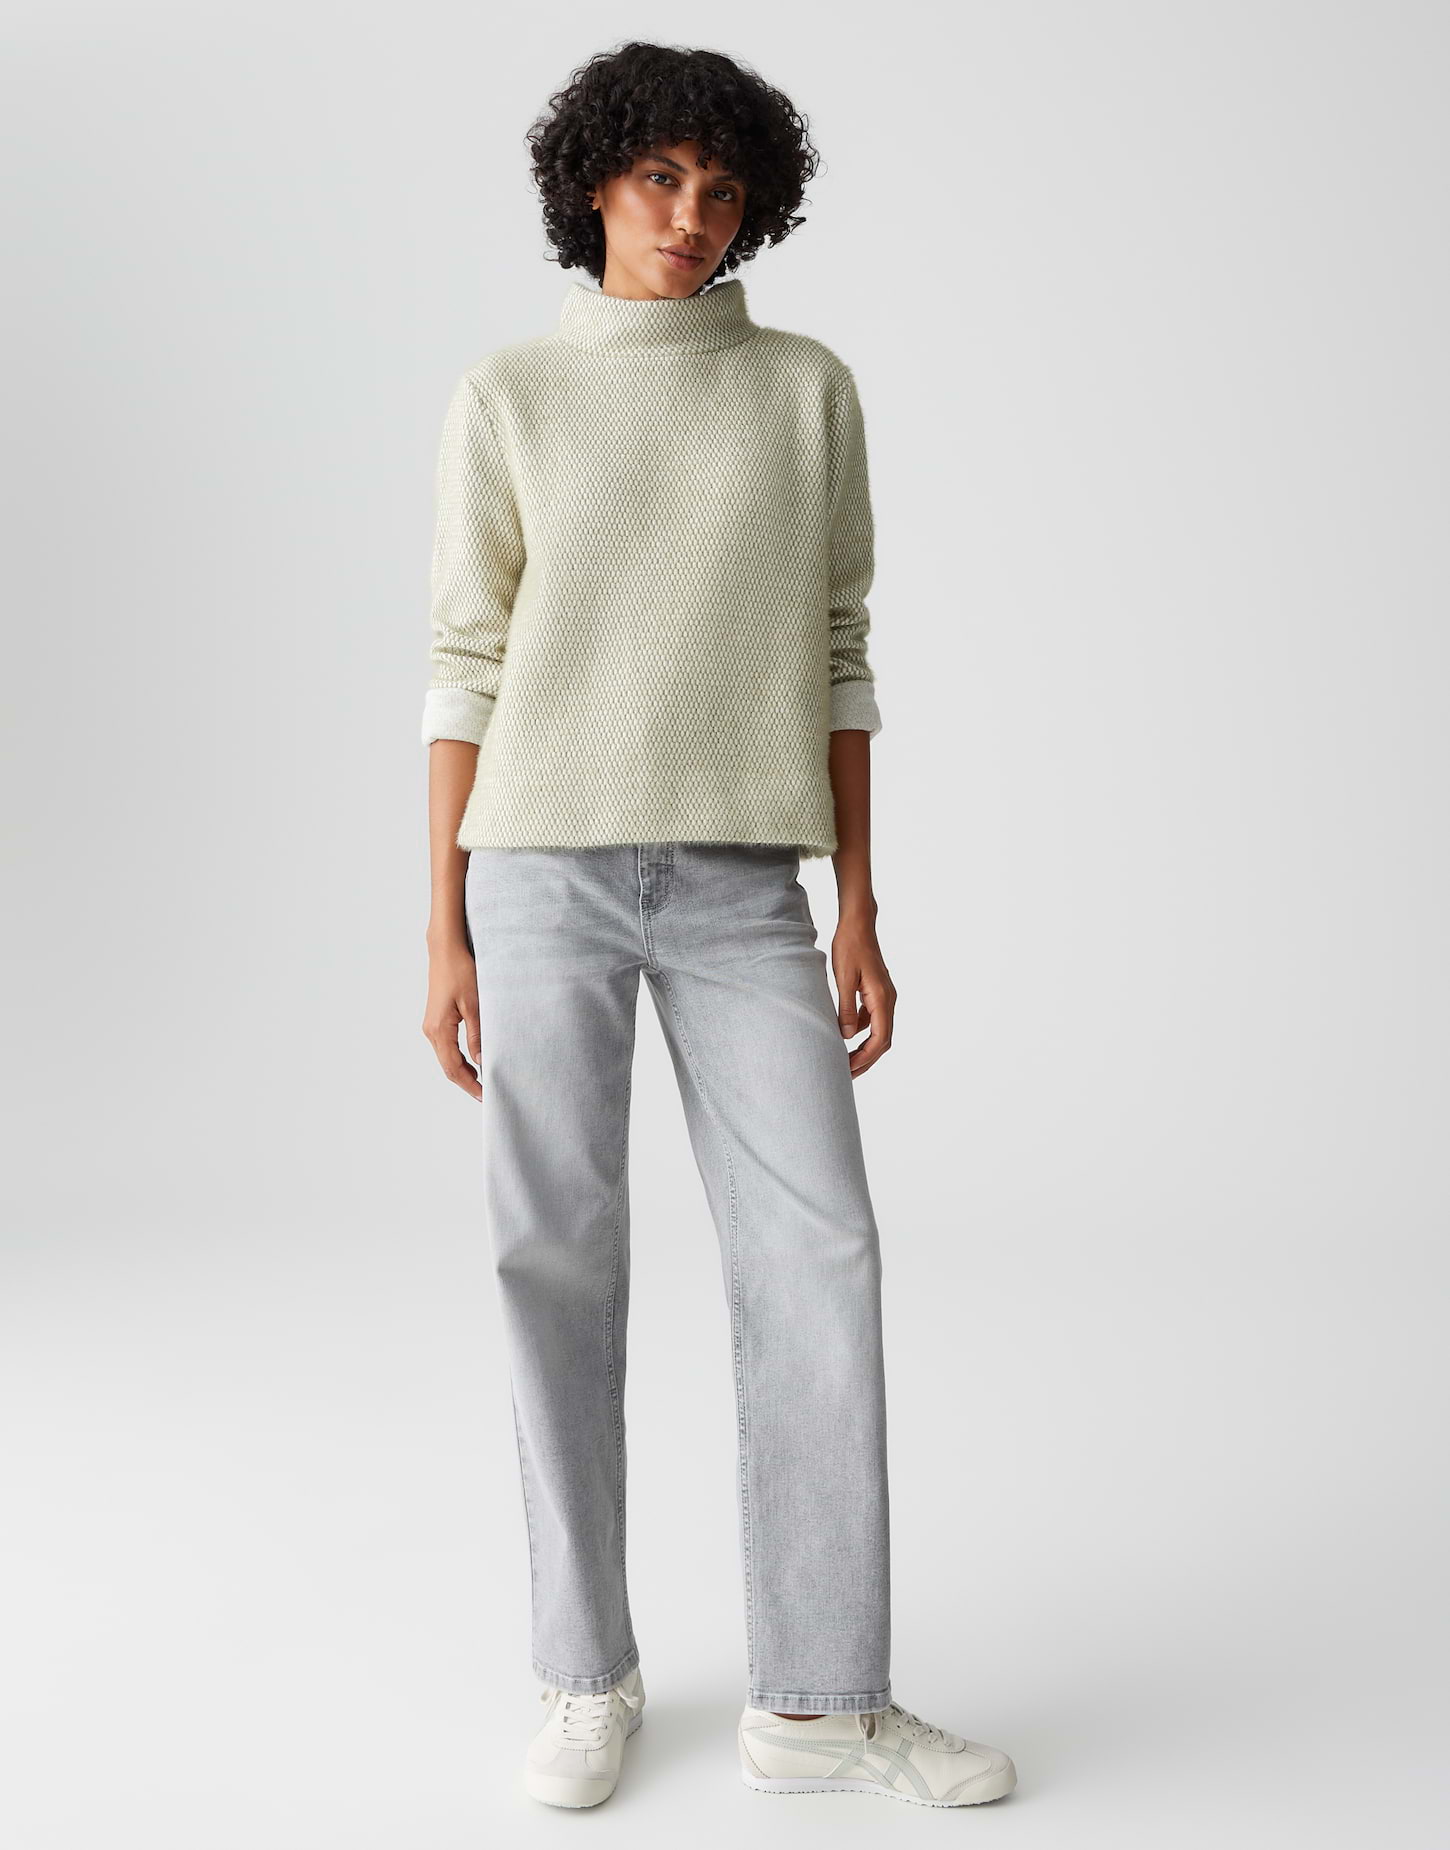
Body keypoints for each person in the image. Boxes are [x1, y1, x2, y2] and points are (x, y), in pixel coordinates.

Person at [420, 40, 1017, 1811]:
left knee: (818, 1250)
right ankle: (583, 1670)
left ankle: (818, 1701)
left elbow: (839, 651)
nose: (692, 215)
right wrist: (440, 926)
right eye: (660, 178)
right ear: (593, 185)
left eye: (724, 189)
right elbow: (464, 663)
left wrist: (858, 899)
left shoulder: (802, 391)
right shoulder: (510, 394)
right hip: (538, 871)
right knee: (554, 1254)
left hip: (747, 885)